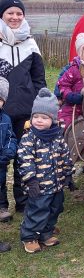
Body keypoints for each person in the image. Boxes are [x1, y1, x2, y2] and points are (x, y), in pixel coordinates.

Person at [0, 0, 46, 213]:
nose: (15, 17)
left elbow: (39, 79)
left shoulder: (30, 43)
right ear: (2, 15)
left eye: (19, 13)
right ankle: (1, 204)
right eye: (10, 13)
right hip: (2, 113)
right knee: (1, 159)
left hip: (26, 112)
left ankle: (23, 199)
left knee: (23, 156)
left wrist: (39, 105)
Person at [17, 89, 74, 253]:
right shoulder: (29, 139)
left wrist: (68, 174)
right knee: (38, 210)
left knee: (55, 209)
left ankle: (45, 233)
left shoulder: (57, 136)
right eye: (36, 117)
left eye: (44, 117)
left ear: (53, 119)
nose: (39, 121)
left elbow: (65, 155)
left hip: (56, 184)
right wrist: (31, 180)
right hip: (39, 187)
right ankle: (29, 236)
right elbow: (24, 160)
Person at [0, 77, 17, 225]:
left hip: (1, 160)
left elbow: (11, 137)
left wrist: (8, 151)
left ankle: (3, 207)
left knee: (1, 183)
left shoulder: (5, 118)